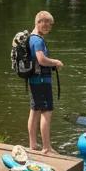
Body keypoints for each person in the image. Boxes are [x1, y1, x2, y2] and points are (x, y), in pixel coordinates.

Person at [27, 10, 62, 155]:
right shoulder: (37, 40)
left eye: (50, 24)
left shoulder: (32, 37)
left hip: (35, 80)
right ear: (38, 22)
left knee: (34, 111)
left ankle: (33, 144)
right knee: (46, 113)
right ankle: (47, 148)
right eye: (46, 23)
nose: (48, 26)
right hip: (41, 81)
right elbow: (41, 59)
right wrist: (55, 62)